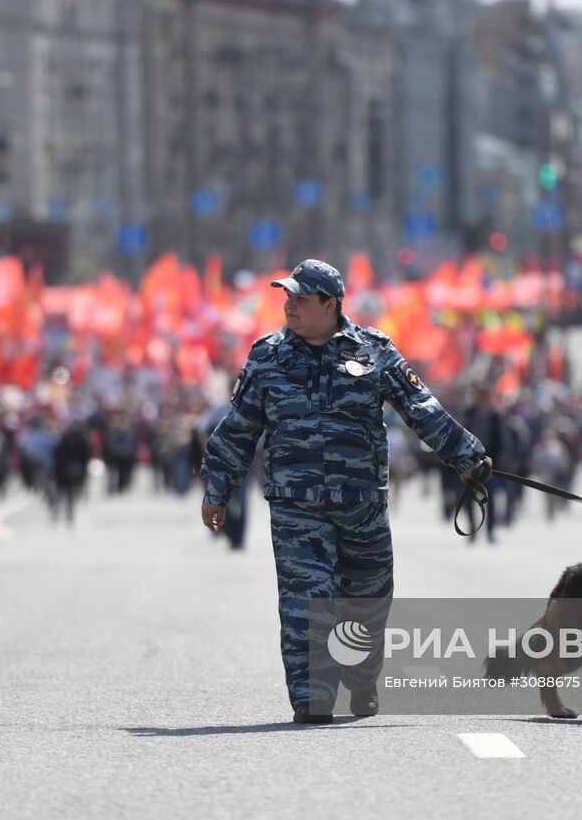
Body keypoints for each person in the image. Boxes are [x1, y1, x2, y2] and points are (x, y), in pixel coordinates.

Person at [199, 259, 491, 725]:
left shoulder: (375, 350)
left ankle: (360, 678)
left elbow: (421, 409)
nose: (288, 305)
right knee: (306, 601)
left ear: (330, 304)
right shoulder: (267, 357)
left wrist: (467, 458)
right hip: (296, 508)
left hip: (362, 505)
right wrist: (217, 489)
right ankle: (311, 695)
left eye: (299, 297)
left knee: (368, 601)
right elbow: (238, 429)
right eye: (286, 296)